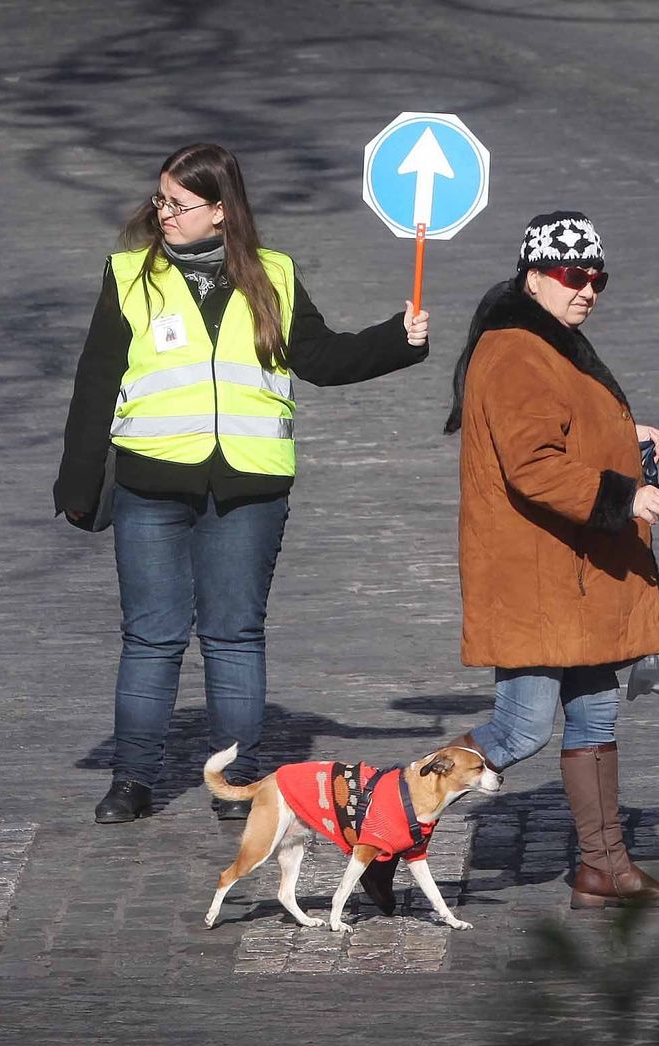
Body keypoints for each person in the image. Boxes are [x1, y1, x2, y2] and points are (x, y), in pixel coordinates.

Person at [54, 143, 431, 825]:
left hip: (249, 486)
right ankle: (132, 780)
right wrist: (78, 484)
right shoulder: (129, 274)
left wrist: (396, 340)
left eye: (178, 202)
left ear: (221, 212)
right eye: (161, 199)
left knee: (233, 635)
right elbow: (96, 378)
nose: (161, 212)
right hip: (151, 480)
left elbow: (320, 358)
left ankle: (238, 782)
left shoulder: (275, 275)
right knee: (151, 637)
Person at [412, 210, 659, 910]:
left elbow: (567, 432)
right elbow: (533, 465)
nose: (587, 289)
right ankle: (388, 819)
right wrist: (626, 497)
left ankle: (604, 868)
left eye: (598, 277)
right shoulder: (515, 350)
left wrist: (631, 439)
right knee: (522, 726)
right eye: (572, 276)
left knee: (595, 716)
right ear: (534, 276)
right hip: (541, 572)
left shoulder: (552, 342)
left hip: (577, 571)